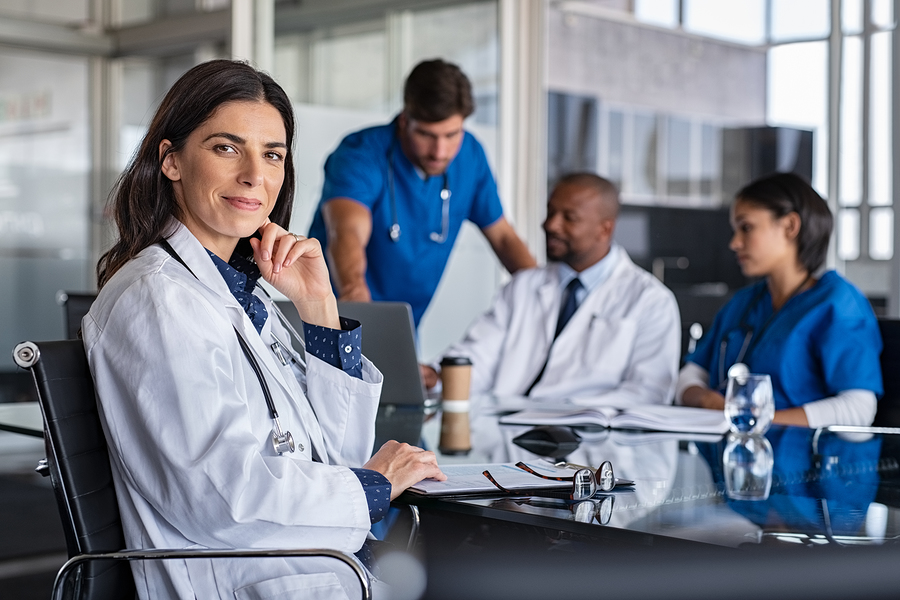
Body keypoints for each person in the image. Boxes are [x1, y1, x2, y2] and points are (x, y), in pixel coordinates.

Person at [83, 60, 444, 600]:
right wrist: (374, 485)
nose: (255, 174)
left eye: (272, 154)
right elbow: (221, 499)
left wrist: (319, 305)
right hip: (242, 582)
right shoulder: (159, 298)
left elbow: (339, 450)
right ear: (172, 160)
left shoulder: (242, 293)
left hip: (312, 570)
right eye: (227, 148)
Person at [307, 58, 535, 328]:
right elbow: (346, 232)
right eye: (427, 135)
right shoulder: (361, 153)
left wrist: (547, 297)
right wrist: (355, 293)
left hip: (403, 324)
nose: (440, 152)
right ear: (405, 120)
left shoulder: (471, 156)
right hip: (338, 315)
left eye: (452, 135)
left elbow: (504, 238)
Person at [423, 173, 681, 403]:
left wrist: (566, 410)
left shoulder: (651, 300)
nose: (551, 225)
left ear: (605, 229)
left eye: (569, 218)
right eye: (550, 212)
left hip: (594, 446)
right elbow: (479, 356)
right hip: (508, 439)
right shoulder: (524, 286)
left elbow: (648, 393)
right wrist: (436, 377)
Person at [677, 172, 883, 427]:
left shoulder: (838, 305)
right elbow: (690, 376)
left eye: (746, 227)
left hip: (801, 462)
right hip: (730, 457)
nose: (734, 243)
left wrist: (755, 422)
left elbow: (858, 410)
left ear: (789, 227)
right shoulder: (743, 303)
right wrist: (706, 400)